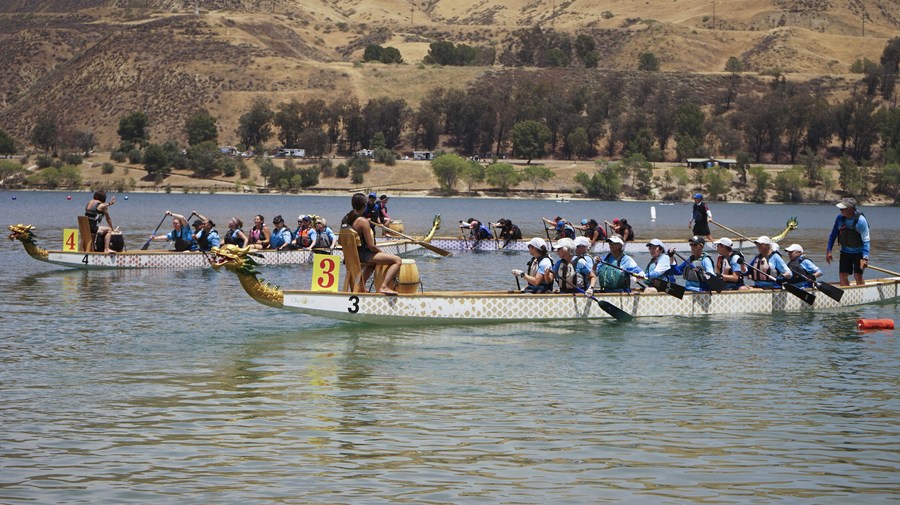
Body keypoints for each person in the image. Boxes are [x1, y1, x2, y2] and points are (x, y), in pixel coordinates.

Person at [343, 192, 401, 295]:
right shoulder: (363, 222)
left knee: (373, 264)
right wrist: (380, 251)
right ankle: (384, 287)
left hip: (350, 256)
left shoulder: (346, 219)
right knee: (397, 260)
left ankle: (361, 285)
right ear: (365, 205)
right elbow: (371, 245)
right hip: (363, 255)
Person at [826, 197, 870, 286]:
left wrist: (865, 258)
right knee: (842, 275)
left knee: (858, 275)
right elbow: (833, 235)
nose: (840, 210)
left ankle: (862, 295)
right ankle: (846, 296)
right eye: (840, 208)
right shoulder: (840, 219)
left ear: (850, 209)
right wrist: (829, 251)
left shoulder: (861, 221)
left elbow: (866, 240)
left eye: (843, 208)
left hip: (859, 253)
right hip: (845, 252)